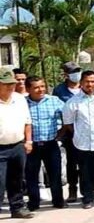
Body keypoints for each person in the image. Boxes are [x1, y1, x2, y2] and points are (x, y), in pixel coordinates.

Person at [62, 71, 94, 209]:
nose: (90, 84)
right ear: (81, 82)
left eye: (93, 81)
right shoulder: (72, 102)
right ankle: (87, 198)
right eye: (87, 81)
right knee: (86, 172)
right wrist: (79, 134)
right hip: (82, 144)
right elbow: (68, 123)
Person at [25, 76, 67, 210]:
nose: (40, 90)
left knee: (55, 174)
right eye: (36, 87)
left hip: (51, 143)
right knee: (31, 175)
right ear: (28, 89)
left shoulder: (54, 101)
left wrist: (60, 135)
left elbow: (68, 116)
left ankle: (58, 201)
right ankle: (33, 202)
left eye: (42, 86)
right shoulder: (23, 103)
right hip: (32, 145)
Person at [0, 66, 34, 219]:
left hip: (18, 145)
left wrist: (28, 141)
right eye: (6, 83)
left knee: (17, 179)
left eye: (11, 83)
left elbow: (27, 122)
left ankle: (17, 207)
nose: (11, 86)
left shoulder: (20, 99)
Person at [53, 61, 82, 202]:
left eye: (77, 71)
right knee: (71, 163)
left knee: (87, 162)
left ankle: (90, 188)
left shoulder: (86, 86)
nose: (76, 74)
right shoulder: (59, 90)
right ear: (66, 74)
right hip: (69, 132)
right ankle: (72, 190)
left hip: (86, 131)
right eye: (72, 72)